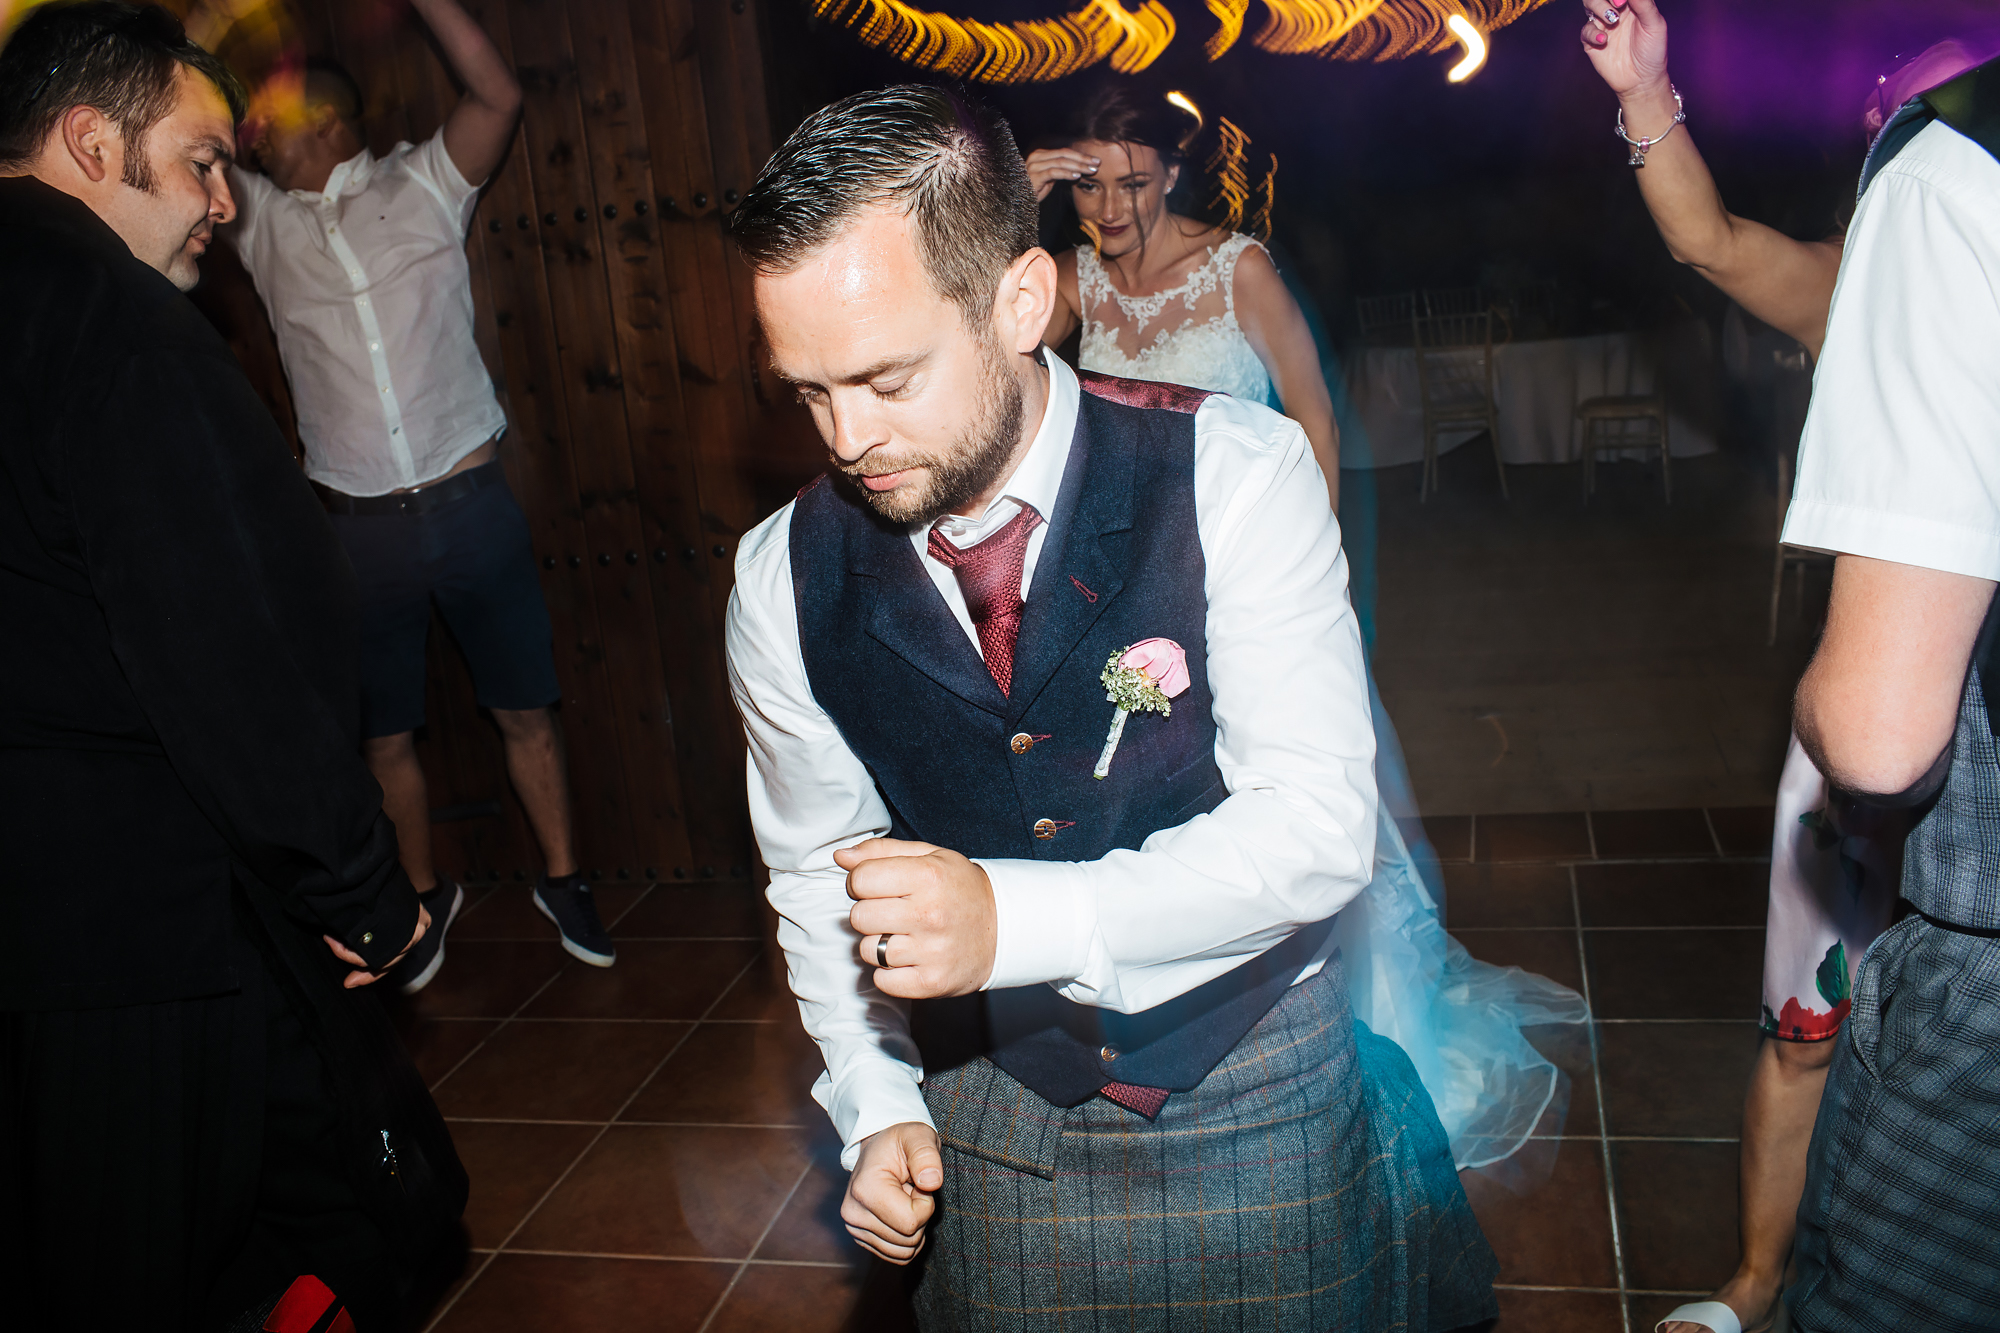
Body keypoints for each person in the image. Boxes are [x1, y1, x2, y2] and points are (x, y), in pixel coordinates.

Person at [725, 83, 1498, 1330]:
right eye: (806, 392)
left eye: (885, 378)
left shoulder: (1236, 474)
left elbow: (1313, 827)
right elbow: (819, 871)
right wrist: (874, 1102)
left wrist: (1009, 918)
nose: (847, 438)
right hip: (995, 1102)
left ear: (1020, 302)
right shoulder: (779, 579)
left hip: (1262, 1091)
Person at [1027, 81, 1590, 1173]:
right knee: (1172, 826)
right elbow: (1001, 354)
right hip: (1133, 607)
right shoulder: (1072, 281)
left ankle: (1349, 1045)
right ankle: (1183, 1051)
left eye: (1131, 179)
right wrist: (1020, 197)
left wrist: (1306, 586)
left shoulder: (1237, 267)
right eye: (1088, 183)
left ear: (1173, 170)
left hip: (1246, 583)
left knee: (1298, 813)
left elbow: (1314, 416)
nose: (1110, 205)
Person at [0, 3, 463, 1327]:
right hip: (132, 918)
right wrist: (363, 889)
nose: (222, 199)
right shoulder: (113, 318)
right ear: (92, 145)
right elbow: (215, 640)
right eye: (200, 160)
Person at [1581, 6, 1999, 1330]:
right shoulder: (1866, 272)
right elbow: (1708, 241)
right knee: (1810, 1021)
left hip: (1958, 774)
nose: (1930, 133)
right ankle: (1756, 1282)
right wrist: (1647, 93)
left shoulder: (1954, 224)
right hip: (1862, 763)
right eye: (1907, 111)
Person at [225, 0, 614, 979]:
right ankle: (425, 899)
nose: (253, 131)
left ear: (327, 120)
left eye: (269, 115)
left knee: (525, 708)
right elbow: (195, 133)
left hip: (471, 506)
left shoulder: (424, 181)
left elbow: (498, 92)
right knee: (384, 733)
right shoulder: (259, 223)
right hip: (356, 533)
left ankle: (564, 878)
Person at [1778, 52, 2000, 1333]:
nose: (1883, 111)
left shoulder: (1957, 170)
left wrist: (1829, 693)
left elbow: (1871, 732)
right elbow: (1711, 244)